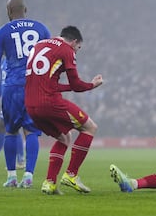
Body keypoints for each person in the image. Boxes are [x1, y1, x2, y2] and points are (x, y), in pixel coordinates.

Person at [25, 25, 103, 195]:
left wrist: (68, 88)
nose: (77, 51)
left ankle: (50, 183)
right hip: (49, 103)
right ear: (74, 41)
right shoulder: (66, 50)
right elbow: (76, 85)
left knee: (64, 137)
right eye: (78, 48)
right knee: (90, 127)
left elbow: (48, 83)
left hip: (30, 105)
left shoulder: (40, 45)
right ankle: (71, 175)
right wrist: (92, 85)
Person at [0, 0, 50, 188]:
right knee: (31, 131)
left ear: (9, 12)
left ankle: (11, 177)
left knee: (10, 131)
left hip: (12, 86)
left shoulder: (2, 32)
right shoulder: (41, 28)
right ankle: (29, 176)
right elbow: (51, 58)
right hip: (34, 85)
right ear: (26, 9)